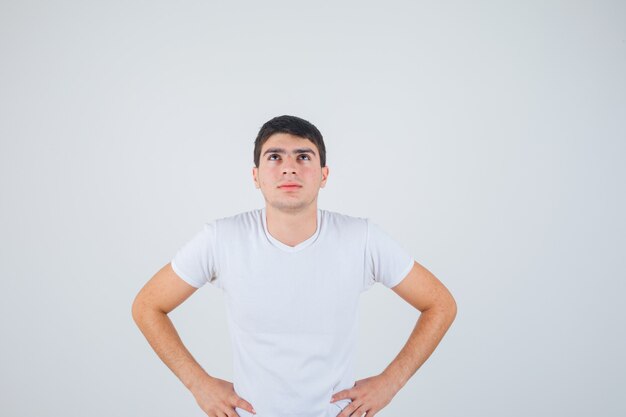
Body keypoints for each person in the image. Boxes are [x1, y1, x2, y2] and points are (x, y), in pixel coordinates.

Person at [132, 115, 457, 417]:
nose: (289, 168)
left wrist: (391, 383)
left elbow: (440, 304)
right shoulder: (221, 238)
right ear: (256, 176)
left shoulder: (362, 238)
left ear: (323, 175)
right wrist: (198, 384)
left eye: (303, 157)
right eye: (274, 157)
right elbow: (148, 305)